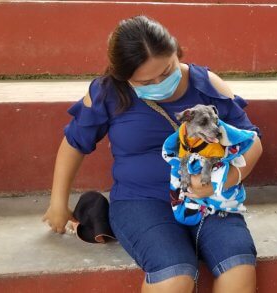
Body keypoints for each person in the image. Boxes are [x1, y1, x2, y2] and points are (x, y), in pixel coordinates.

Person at [42, 15, 262, 293]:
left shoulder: (207, 84)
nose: (160, 82)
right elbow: (74, 144)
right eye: (146, 81)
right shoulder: (109, 92)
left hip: (210, 201)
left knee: (238, 263)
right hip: (140, 201)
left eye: (167, 71)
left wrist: (226, 180)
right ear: (126, 78)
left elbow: (252, 141)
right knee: (174, 272)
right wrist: (58, 203)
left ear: (175, 51)